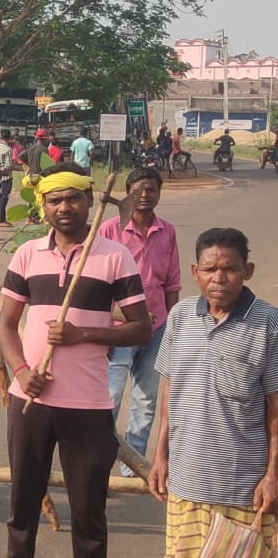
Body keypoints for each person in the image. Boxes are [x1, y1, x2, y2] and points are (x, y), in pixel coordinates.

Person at [0, 166, 152, 558]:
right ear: (43, 207)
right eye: (54, 201)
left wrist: (82, 334)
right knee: (22, 498)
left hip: (89, 404)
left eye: (73, 199)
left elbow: (141, 328)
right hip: (31, 399)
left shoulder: (115, 257)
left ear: (90, 201)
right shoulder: (28, 255)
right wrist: (22, 371)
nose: (64, 208)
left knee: (89, 508)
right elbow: (6, 325)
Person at [148, 227, 278, 558]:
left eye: (229, 268)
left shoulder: (269, 325)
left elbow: (275, 407)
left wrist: (273, 475)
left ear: (248, 271)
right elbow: (169, 391)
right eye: (210, 268)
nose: (219, 277)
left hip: (245, 482)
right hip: (186, 475)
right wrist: (159, 454)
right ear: (196, 271)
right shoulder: (181, 317)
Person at [100, 167, 180, 474]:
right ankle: (102, 460)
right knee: (110, 398)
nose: (145, 196)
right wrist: (104, 328)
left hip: (157, 328)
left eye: (152, 190)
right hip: (119, 328)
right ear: (128, 192)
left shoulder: (167, 231)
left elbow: (172, 282)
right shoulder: (110, 229)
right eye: (139, 190)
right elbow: (98, 281)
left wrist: (171, 327)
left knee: (146, 401)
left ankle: (131, 468)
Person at [0, 129, 16, 226]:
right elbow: (8, 166)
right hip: (5, 177)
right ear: (9, 137)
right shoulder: (7, 149)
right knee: (4, 198)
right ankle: (1, 219)